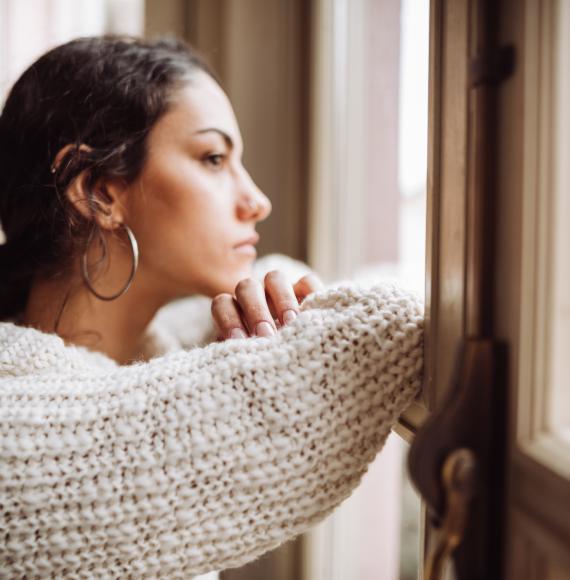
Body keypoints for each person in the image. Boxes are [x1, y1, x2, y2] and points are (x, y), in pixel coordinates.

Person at [0, 36, 423, 578]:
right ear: (99, 192)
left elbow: (275, 276)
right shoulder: (31, 442)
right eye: (214, 158)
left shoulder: (147, 355)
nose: (257, 200)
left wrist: (281, 289)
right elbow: (380, 325)